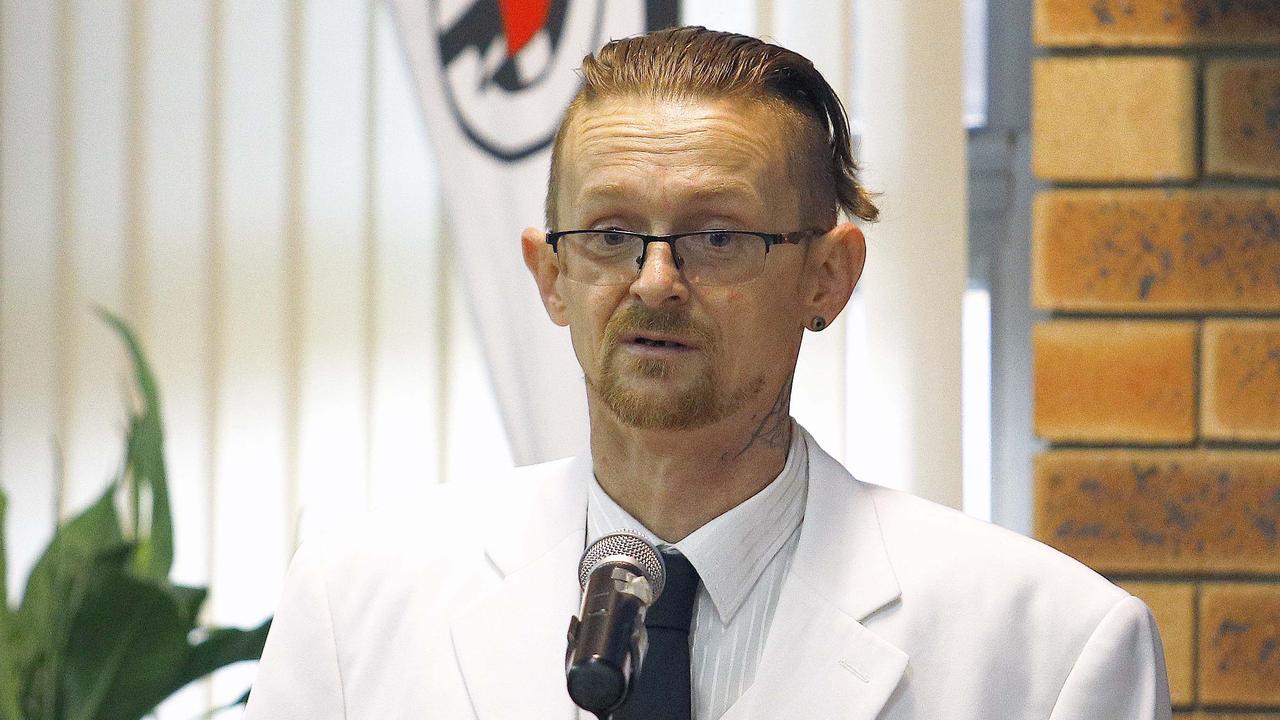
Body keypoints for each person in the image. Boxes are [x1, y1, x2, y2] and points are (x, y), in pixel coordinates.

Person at [243, 26, 1170, 720]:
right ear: (551, 274)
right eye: (609, 235)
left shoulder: (1052, 648)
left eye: (716, 236)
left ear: (828, 276)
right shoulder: (351, 610)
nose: (656, 281)